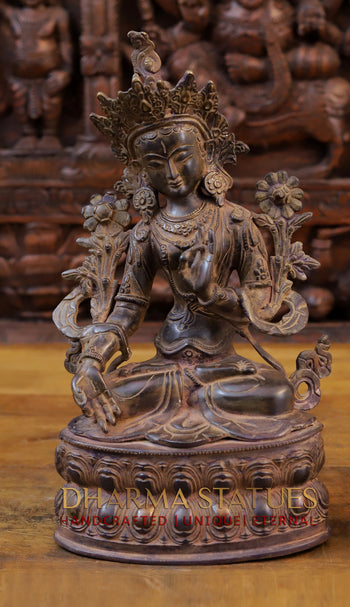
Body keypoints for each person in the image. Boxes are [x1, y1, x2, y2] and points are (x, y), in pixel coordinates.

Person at [59, 32, 317, 446]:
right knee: (116, 391)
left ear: (207, 155)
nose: (173, 174)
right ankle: (185, 402)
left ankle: (197, 403)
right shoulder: (146, 233)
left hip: (225, 366)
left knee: (277, 394)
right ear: (142, 172)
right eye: (157, 165)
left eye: (182, 158)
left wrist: (213, 295)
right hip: (165, 367)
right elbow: (128, 309)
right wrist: (91, 362)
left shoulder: (236, 222)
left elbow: (263, 303)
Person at [0, 0, 72, 150]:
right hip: (19, 77)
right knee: (20, 102)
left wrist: (66, 71)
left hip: (49, 75)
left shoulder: (57, 15)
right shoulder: (13, 15)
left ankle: (50, 135)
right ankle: (28, 134)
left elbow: (66, 44)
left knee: (51, 103)